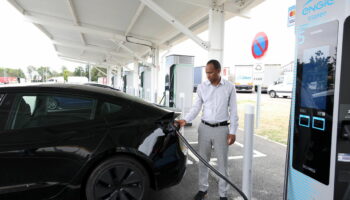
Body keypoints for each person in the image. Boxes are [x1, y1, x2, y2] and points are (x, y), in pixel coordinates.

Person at [177, 59, 238, 200]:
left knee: (223, 164)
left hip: (221, 129)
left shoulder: (229, 87)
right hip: (204, 128)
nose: (208, 75)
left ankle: (223, 194)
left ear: (218, 71)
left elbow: (234, 111)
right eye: (206, 73)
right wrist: (185, 119)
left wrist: (233, 131)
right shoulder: (202, 87)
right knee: (203, 161)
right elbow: (196, 107)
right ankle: (203, 189)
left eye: (210, 72)